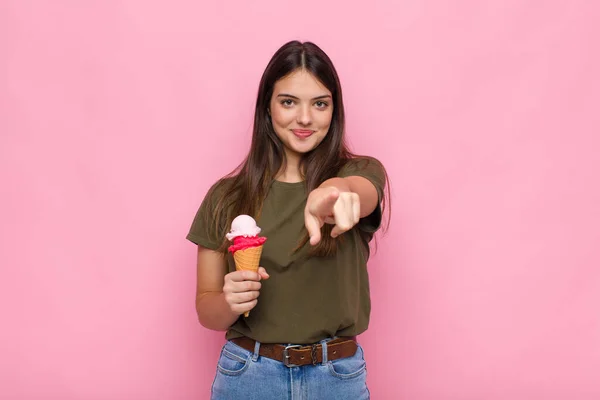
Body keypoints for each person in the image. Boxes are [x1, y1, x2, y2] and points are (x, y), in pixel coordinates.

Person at [186, 40, 390, 400]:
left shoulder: (359, 173)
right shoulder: (225, 197)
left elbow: (360, 190)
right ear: (267, 107)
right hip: (248, 376)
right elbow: (207, 310)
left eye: (320, 104)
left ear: (334, 111)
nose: (305, 118)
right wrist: (228, 302)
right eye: (288, 102)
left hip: (336, 379)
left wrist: (335, 191)